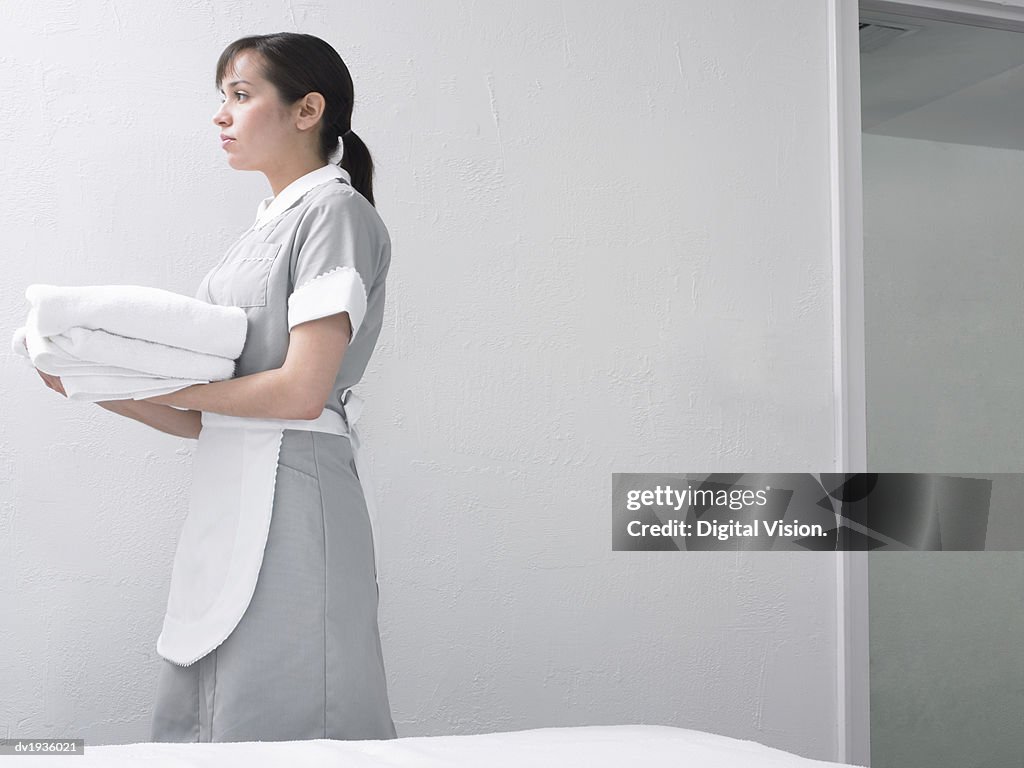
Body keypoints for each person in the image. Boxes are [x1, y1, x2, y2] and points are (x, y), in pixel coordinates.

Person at [38, 32, 398, 743]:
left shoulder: (335, 215)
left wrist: (163, 382)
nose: (220, 116)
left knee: (294, 703)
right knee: (213, 706)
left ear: (307, 110)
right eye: (222, 98)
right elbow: (199, 418)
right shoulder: (251, 240)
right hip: (230, 490)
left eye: (240, 95)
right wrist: (90, 383)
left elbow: (300, 392)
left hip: (297, 496)